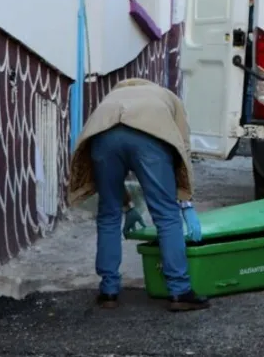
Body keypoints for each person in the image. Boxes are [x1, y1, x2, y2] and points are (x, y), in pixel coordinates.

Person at [67, 78, 210, 311]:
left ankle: (108, 291)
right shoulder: (167, 96)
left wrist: (125, 206)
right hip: (149, 137)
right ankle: (179, 291)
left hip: (104, 137)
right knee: (166, 215)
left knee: (108, 214)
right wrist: (185, 201)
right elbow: (181, 146)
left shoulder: (111, 97)